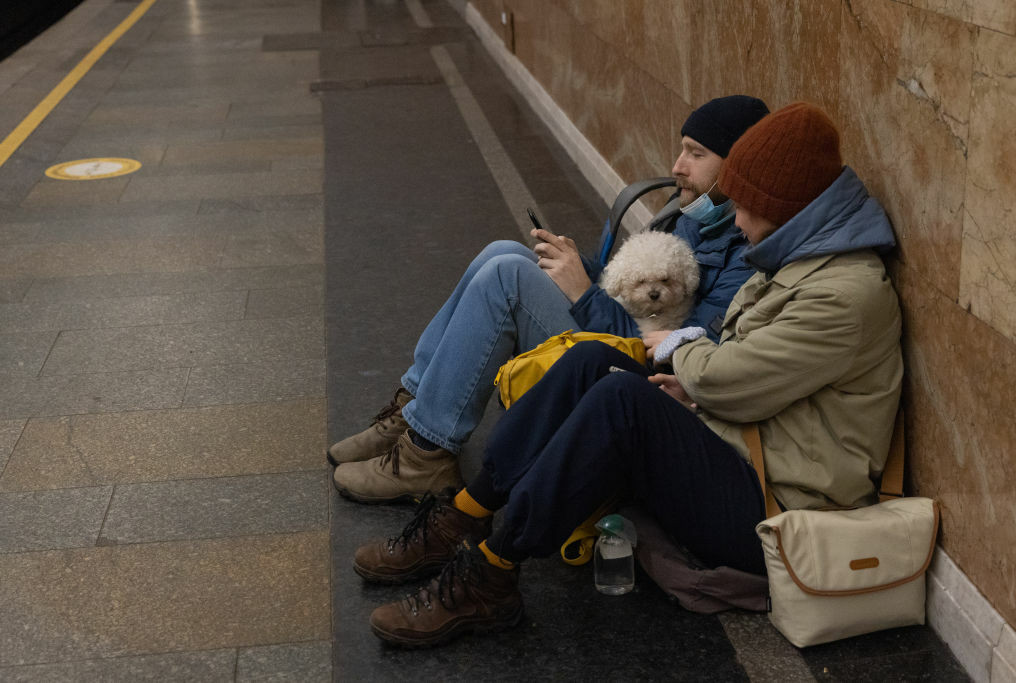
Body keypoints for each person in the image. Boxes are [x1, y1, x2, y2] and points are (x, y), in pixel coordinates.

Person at [355, 102, 904, 647]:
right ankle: (464, 515)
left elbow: (723, 375)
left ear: (785, 207)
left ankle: (493, 573)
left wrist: (687, 366)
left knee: (622, 399)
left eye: (748, 204)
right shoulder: (803, 261)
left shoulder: (841, 296)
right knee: (597, 359)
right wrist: (693, 381)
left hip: (777, 511)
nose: (737, 219)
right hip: (744, 449)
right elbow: (738, 372)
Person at [330, 95, 770, 504]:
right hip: (616, 329)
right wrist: (580, 265)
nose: (677, 166)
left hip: (641, 374)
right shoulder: (697, 212)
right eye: (681, 149)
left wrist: (581, 290)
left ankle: (424, 456)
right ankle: (414, 408)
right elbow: (634, 289)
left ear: (739, 166)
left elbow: (674, 354)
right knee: (503, 251)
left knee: (508, 278)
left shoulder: (746, 252)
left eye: (696, 153)